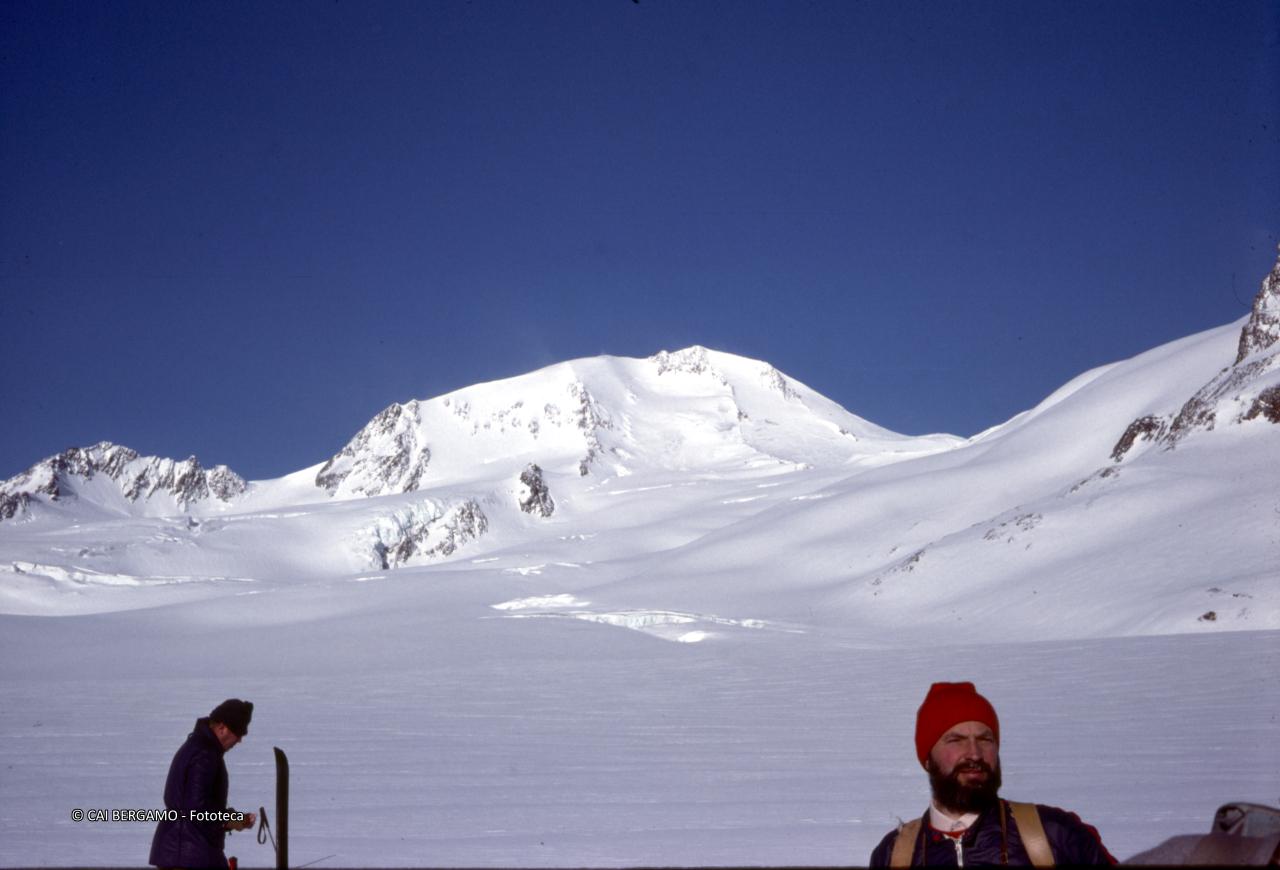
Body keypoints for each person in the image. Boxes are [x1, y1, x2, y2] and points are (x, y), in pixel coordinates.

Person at [870, 682, 1115, 866]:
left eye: (985, 739)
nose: (974, 754)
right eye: (956, 740)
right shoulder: (894, 855)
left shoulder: (1055, 834)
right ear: (927, 758)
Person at [149, 699, 257, 869]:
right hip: (190, 853)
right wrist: (231, 820)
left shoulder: (197, 746)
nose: (239, 740)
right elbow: (197, 809)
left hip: (181, 850)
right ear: (222, 728)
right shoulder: (205, 754)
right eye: (238, 733)